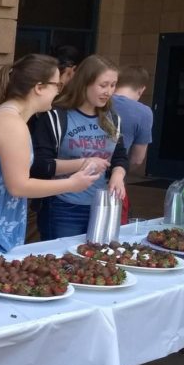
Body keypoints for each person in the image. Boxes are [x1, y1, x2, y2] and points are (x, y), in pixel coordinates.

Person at [0, 54, 104, 260]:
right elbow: (18, 185)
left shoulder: (9, 118)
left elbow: (19, 171)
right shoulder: (12, 124)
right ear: (39, 87)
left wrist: (80, 164)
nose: (59, 92)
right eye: (57, 86)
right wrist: (72, 184)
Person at [30, 54, 129, 241]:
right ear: (85, 83)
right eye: (103, 85)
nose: (108, 91)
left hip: (102, 205)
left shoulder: (113, 118)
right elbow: (40, 165)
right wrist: (84, 163)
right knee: (62, 264)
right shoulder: (55, 116)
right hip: (63, 206)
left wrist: (118, 175)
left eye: (113, 85)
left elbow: (120, 157)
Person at [112, 65, 154, 173]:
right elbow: (137, 159)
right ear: (142, 89)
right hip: (113, 175)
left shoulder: (98, 101)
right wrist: (120, 172)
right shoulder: (144, 112)